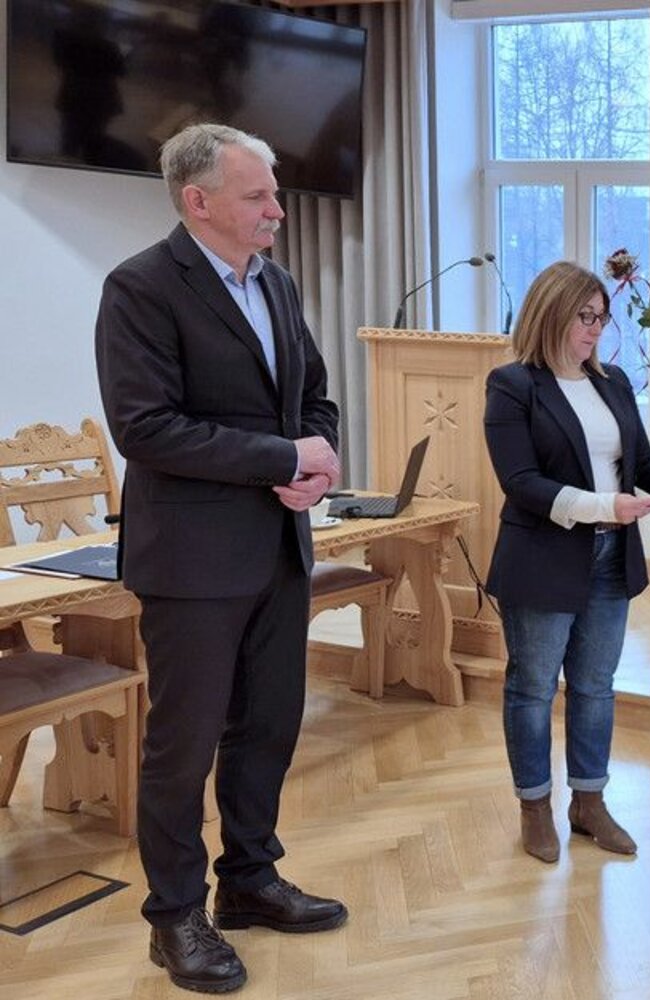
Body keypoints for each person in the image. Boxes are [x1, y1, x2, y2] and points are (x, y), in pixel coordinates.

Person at [95, 123, 348, 994]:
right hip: (192, 560)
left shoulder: (275, 282)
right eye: (259, 195)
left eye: (274, 192)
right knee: (184, 746)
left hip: (278, 545)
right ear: (197, 201)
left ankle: (249, 879)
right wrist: (282, 457)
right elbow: (146, 428)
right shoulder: (139, 287)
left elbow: (313, 397)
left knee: (268, 726)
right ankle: (175, 916)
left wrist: (318, 461)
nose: (278, 209)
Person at [483, 261, 650, 864]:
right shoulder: (513, 385)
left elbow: (643, 466)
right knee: (533, 689)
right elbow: (521, 482)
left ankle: (589, 803)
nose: (596, 328)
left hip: (611, 555)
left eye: (601, 317)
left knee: (595, 686)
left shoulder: (612, 382)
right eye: (584, 316)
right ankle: (535, 808)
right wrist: (603, 507)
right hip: (543, 558)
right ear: (552, 313)